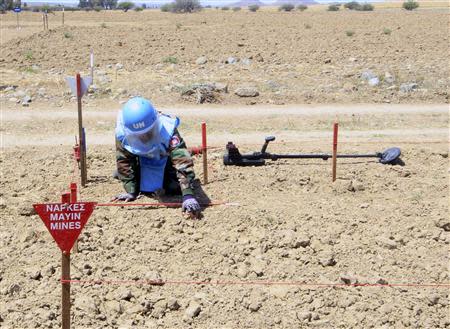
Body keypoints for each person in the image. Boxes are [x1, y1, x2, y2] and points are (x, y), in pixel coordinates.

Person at [112, 97, 201, 218]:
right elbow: (124, 160)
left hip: (165, 162)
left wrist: (188, 195)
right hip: (142, 162)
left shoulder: (168, 130)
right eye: (139, 135)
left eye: (147, 132)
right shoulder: (122, 133)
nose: (144, 137)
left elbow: (181, 161)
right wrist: (131, 190)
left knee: (173, 187)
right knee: (126, 175)